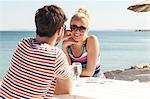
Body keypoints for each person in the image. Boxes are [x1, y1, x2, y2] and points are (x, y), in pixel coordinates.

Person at [0, 5, 73, 98]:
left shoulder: (22, 44)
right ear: (60, 30)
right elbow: (66, 90)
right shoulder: (56, 56)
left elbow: (41, 49)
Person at [62, 7, 105, 77]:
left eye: (82, 28)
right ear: (70, 27)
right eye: (74, 27)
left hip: (95, 82)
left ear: (87, 29)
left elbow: (89, 73)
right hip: (77, 82)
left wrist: (70, 72)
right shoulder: (67, 44)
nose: (77, 31)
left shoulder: (91, 41)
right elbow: (68, 68)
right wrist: (64, 47)